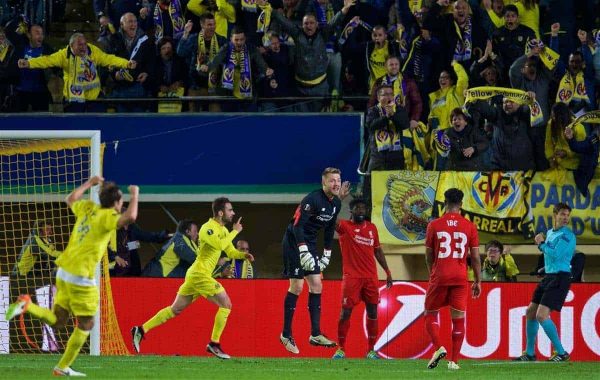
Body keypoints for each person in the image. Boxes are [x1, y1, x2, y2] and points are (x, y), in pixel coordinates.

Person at [5, 176, 139, 376]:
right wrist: (135, 194)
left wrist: (88, 183)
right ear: (116, 203)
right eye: (122, 201)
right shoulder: (107, 216)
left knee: (59, 321)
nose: (122, 205)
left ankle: (27, 305)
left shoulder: (87, 209)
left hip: (63, 271)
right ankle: (62, 366)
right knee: (87, 323)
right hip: (80, 277)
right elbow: (131, 218)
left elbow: (70, 198)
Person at [132, 197, 254, 359]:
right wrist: (235, 232)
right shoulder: (207, 228)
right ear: (220, 212)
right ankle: (214, 343)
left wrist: (243, 255)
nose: (233, 213)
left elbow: (229, 251)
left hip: (196, 276)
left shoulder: (224, 231)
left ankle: (140, 330)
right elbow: (218, 245)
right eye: (230, 210)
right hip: (200, 274)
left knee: (175, 309)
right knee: (226, 304)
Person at [280, 167, 349, 354]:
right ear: (324, 182)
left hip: (309, 244)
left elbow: (328, 230)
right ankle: (286, 334)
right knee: (297, 286)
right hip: (294, 242)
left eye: (338, 180)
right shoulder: (311, 199)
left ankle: (315, 334)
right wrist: (303, 251)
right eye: (332, 180)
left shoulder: (336, 203)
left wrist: (327, 253)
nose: (336, 183)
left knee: (317, 285)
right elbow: (297, 226)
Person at [424, 188, 481, 371]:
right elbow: (475, 257)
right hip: (460, 276)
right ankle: (454, 362)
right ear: (461, 205)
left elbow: (428, 254)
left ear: (445, 203)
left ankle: (439, 347)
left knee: (430, 313)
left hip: (440, 274)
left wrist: (432, 271)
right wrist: (478, 280)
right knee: (458, 318)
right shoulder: (469, 226)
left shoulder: (434, 225)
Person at [331, 198, 393, 360]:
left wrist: (387, 271)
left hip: (371, 278)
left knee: (373, 312)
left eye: (363, 208)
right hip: (352, 278)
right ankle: (341, 349)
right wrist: (339, 199)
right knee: (345, 313)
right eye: (357, 208)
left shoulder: (372, 228)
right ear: (351, 211)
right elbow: (330, 216)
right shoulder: (344, 227)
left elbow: (378, 251)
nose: (361, 211)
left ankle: (371, 350)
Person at [514, 203, 575, 362]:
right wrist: (544, 268)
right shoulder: (550, 233)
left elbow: (555, 254)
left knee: (541, 315)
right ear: (555, 215)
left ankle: (561, 352)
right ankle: (529, 353)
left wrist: (540, 243)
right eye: (562, 214)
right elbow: (551, 258)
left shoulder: (568, 236)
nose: (565, 218)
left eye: (567, 215)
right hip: (549, 276)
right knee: (530, 312)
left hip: (560, 278)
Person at [17, 32, 137, 112]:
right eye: (80, 45)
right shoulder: (64, 55)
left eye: (84, 44)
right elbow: (47, 60)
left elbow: (109, 59)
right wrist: (29, 63)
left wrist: (126, 63)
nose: (84, 47)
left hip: (94, 98)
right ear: (71, 46)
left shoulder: (92, 51)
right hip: (73, 99)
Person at [106, 12, 154, 113]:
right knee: (122, 122)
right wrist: (115, 74)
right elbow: (108, 60)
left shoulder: (145, 39)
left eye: (135, 21)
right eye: (130, 22)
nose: (133, 24)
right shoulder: (113, 39)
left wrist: (146, 73)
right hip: (120, 88)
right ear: (122, 25)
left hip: (139, 88)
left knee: (138, 122)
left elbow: (151, 60)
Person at [445, 107, 489, 171]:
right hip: (454, 169)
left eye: (459, 119)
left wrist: (474, 148)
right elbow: (437, 146)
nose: (456, 121)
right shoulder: (447, 133)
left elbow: (485, 143)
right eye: (454, 120)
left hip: (472, 169)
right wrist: (438, 145)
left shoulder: (473, 131)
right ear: (451, 123)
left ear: (465, 122)